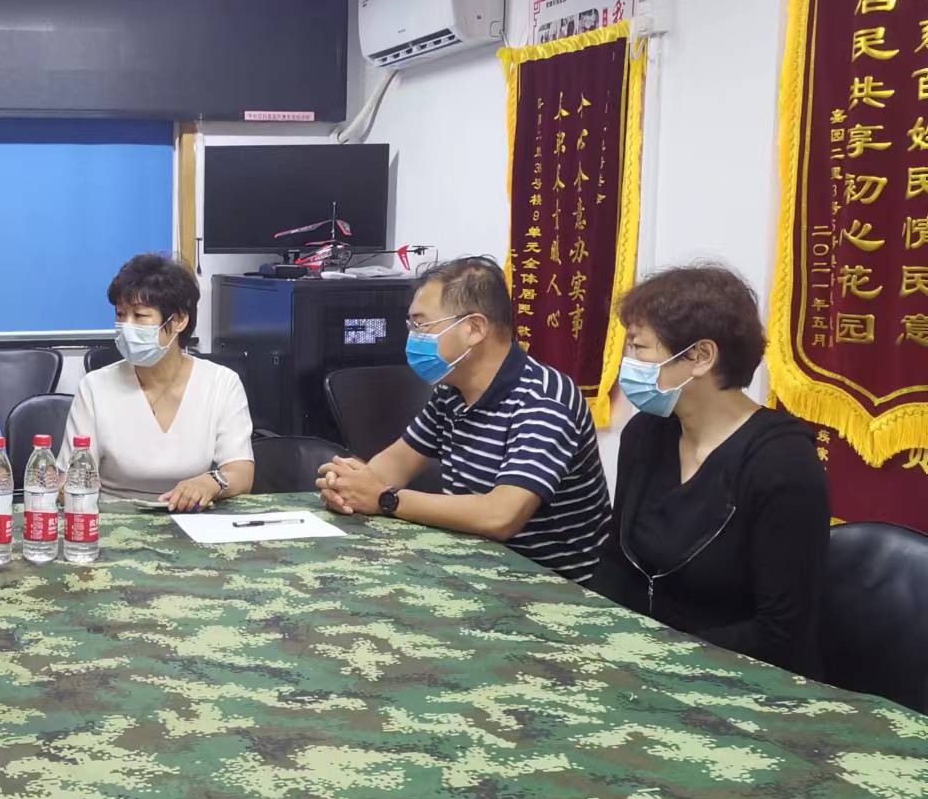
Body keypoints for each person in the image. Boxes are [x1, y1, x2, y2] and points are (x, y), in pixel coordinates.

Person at [588, 265, 827, 674]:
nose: (628, 364)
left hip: (739, 678)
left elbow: (781, 633)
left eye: (639, 348)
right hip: (638, 661)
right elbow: (616, 561)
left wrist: (654, 656)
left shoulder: (781, 463)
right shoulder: (647, 433)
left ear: (700, 357)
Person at [318, 256, 609, 583]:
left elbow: (501, 516)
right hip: (475, 566)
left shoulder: (544, 399)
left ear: (474, 328)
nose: (412, 338)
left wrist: (386, 499)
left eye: (421, 325)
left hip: (550, 587)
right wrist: (349, 488)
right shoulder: (451, 391)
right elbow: (393, 464)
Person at [64, 253, 254, 508]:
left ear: (179, 320)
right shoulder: (95, 387)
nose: (126, 327)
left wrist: (211, 483)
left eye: (139, 316)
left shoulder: (221, 383)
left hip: (193, 518)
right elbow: (69, 479)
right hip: (115, 519)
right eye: (120, 315)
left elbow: (241, 473)